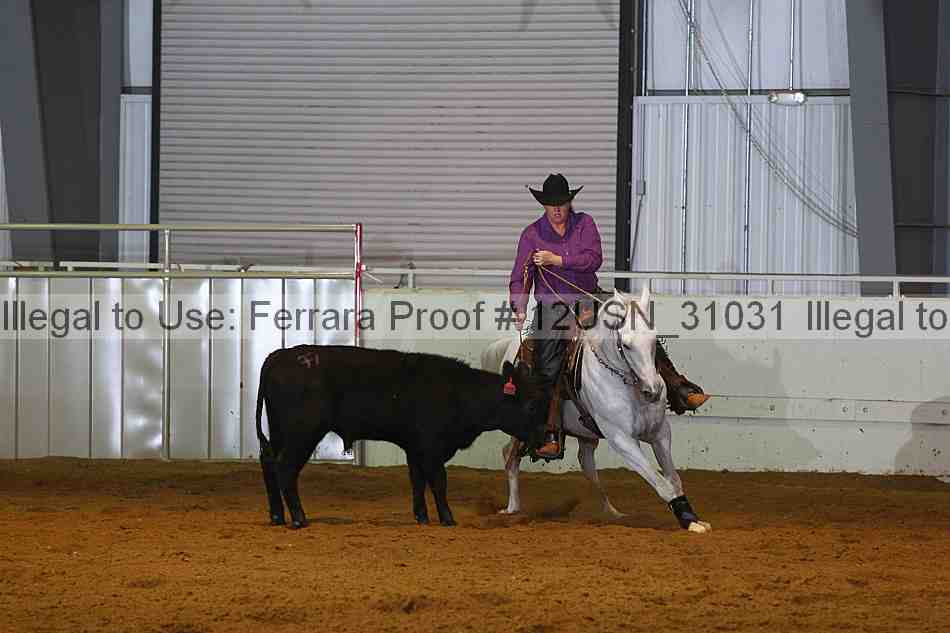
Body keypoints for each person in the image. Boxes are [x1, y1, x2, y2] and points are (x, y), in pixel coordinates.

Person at [509, 173, 707, 459]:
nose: (557, 209)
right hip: (553, 306)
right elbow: (521, 274)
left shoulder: (584, 224)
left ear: (569, 202)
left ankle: (677, 385)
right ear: (544, 205)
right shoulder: (532, 235)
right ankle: (550, 430)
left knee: (636, 328)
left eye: (562, 203)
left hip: (589, 298)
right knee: (547, 366)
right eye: (552, 204)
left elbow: (594, 259)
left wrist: (557, 260)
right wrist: (519, 306)